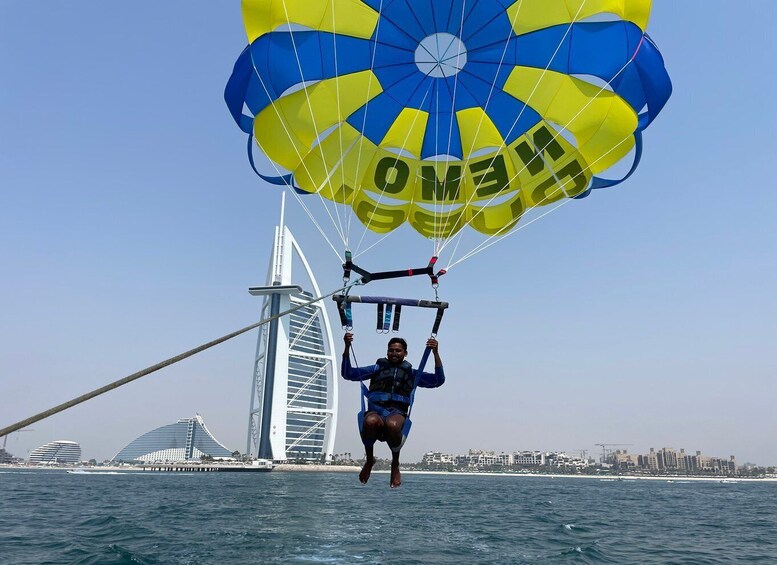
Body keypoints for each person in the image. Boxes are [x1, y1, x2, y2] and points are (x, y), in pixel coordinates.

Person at [342, 332, 445, 488]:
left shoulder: (411, 373)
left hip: (397, 413)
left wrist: (435, 353)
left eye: (398, 350)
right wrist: (347, 347)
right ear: (387, 352)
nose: (394, 353)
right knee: (370, 421)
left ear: (405, 353)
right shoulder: (376, 368)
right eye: (391, 350)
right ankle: (370, 460)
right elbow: (347, 373)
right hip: (376, 411)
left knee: (392, 425)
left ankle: (395, 463)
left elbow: (438, 380)